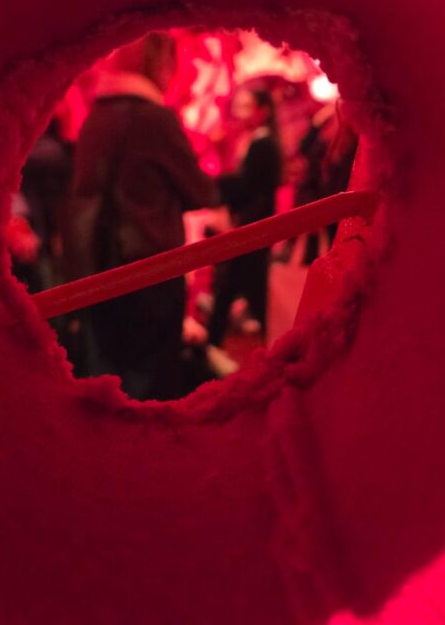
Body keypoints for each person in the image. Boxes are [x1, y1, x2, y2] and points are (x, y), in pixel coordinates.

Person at [65, 33, 218, 400]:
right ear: (158, 63)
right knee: (152, 384)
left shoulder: (96, 117)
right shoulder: (155, 118)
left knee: (105, 380)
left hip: (96, 268)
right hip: (150, 268)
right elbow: (201, 193)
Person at [206, 87, 283, 376]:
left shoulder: (263, 144)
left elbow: (249, 187)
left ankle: (276, 355)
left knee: (244, 290)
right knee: (234, 289)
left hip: (252, 230)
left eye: (247, 106)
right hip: (251, 229)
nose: (241, 113)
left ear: (262, 110)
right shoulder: (259, 141)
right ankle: (212, 346)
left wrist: (216, 187)